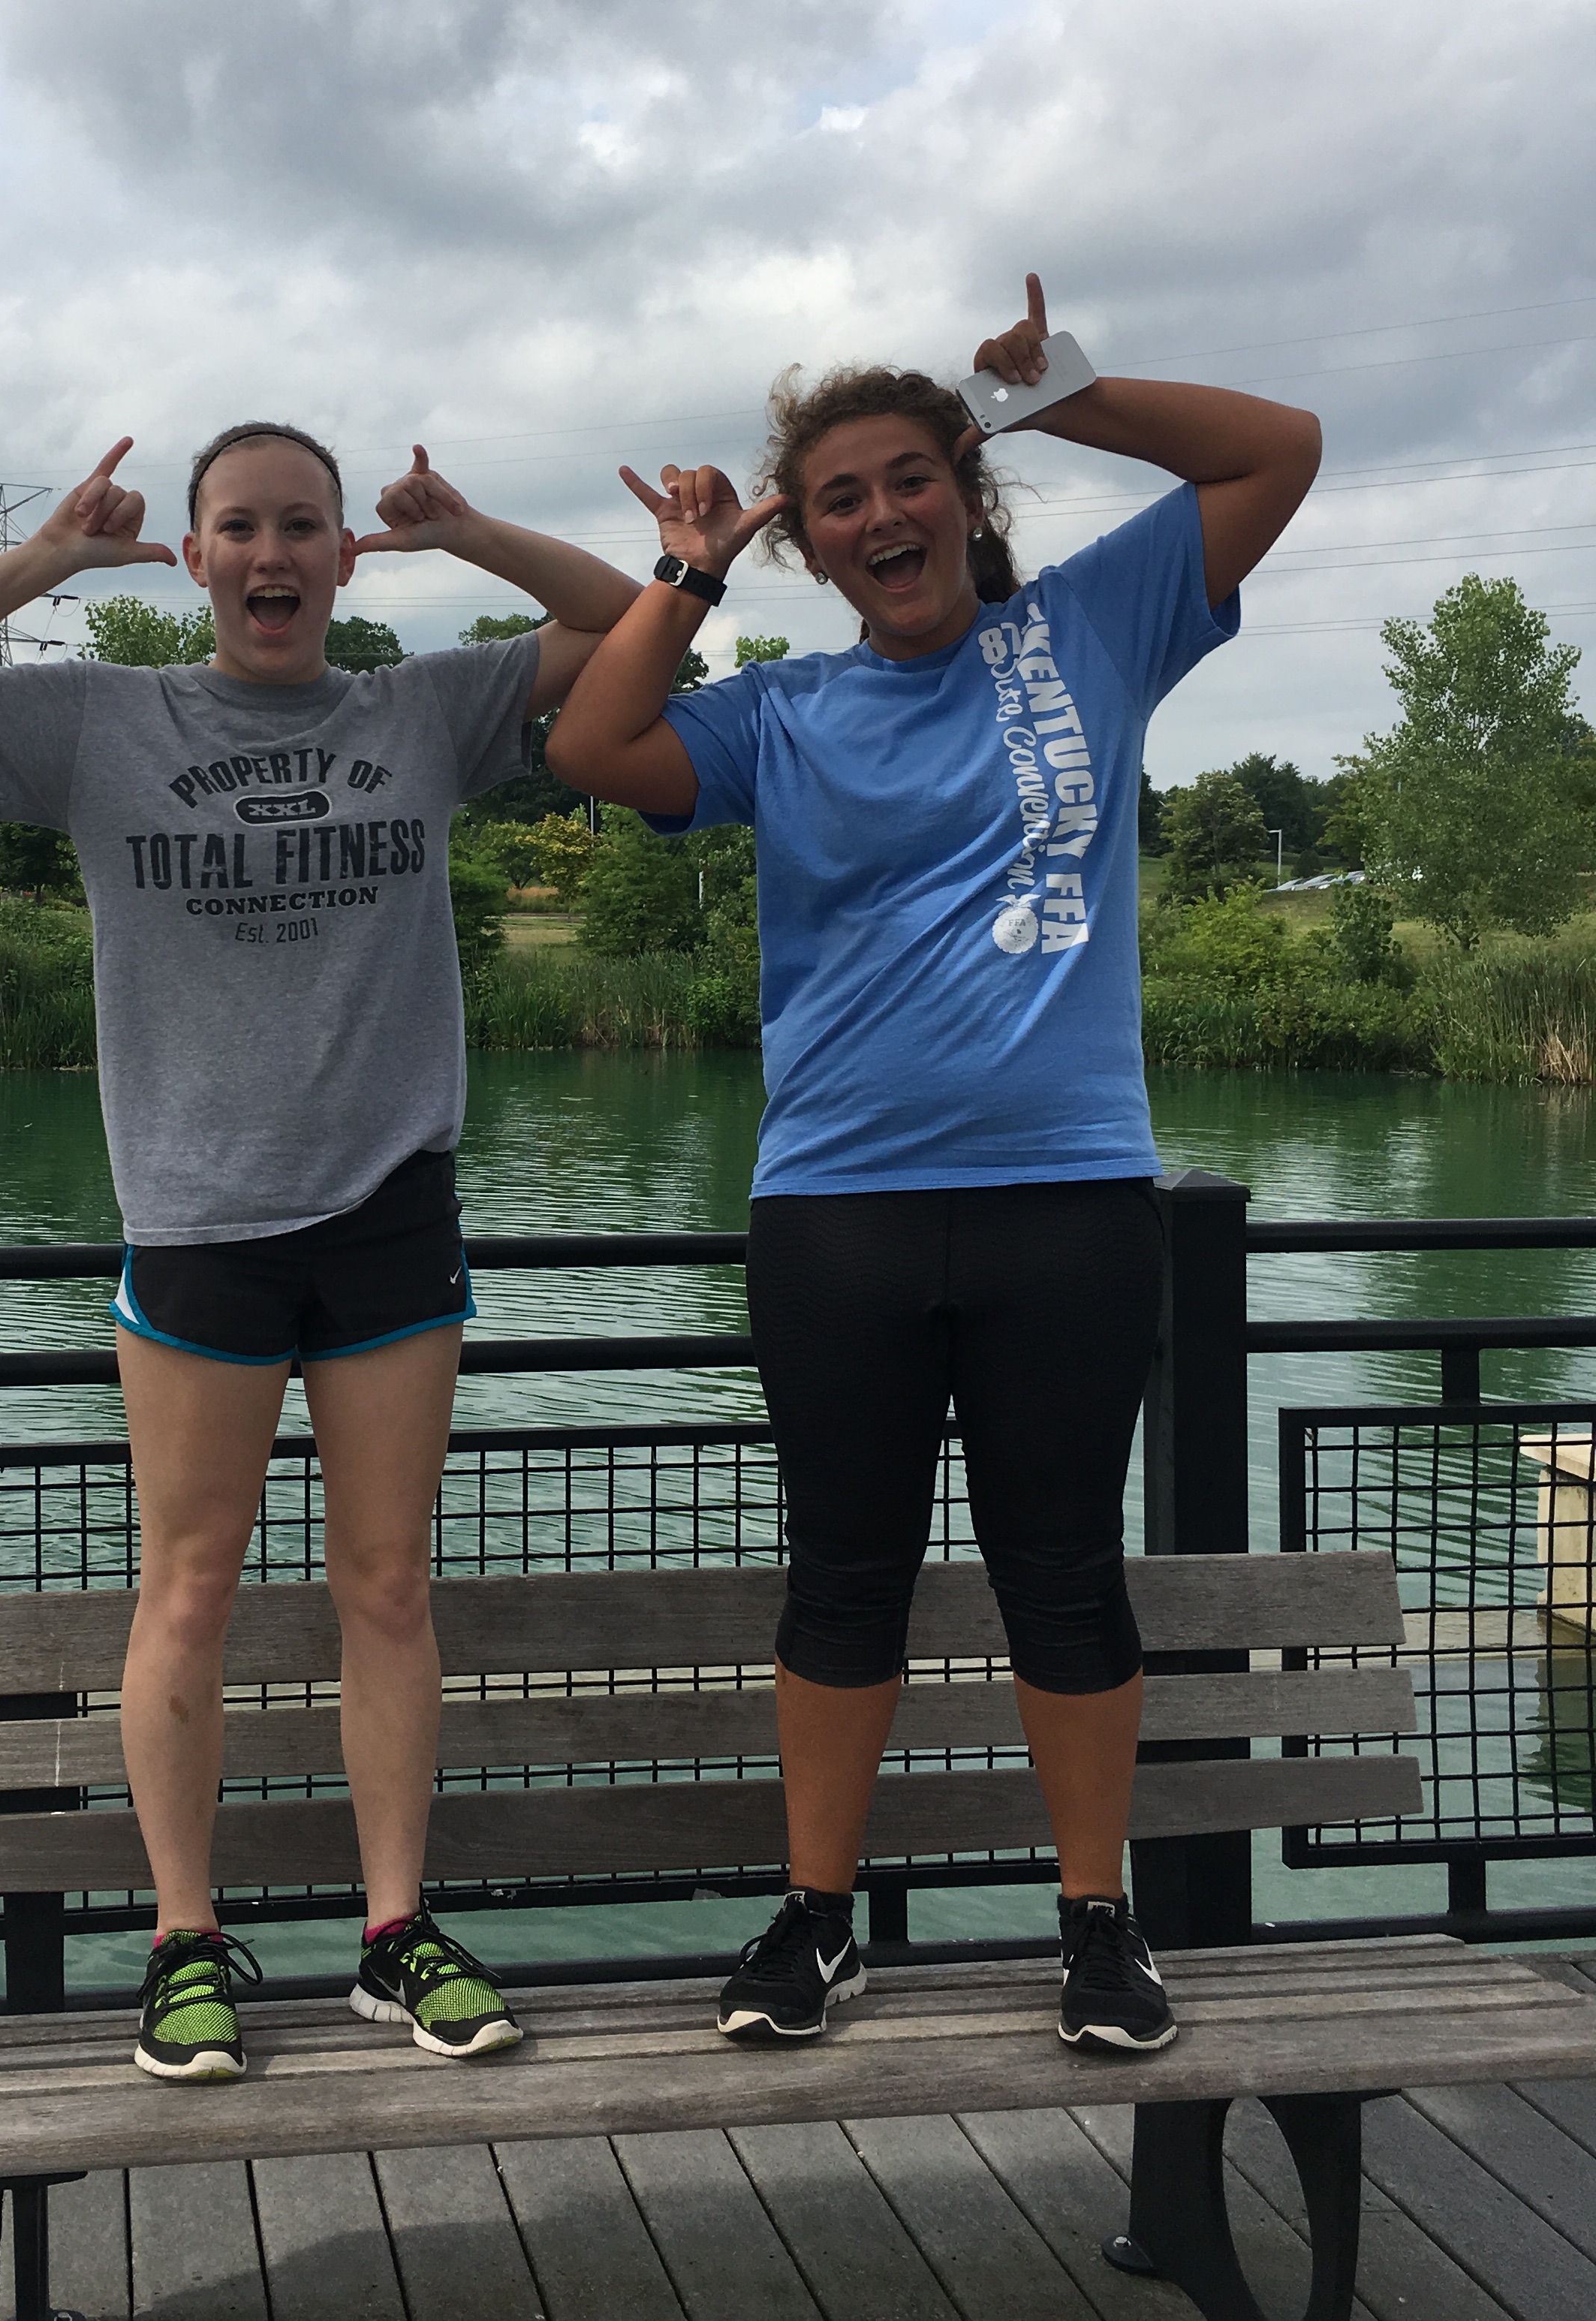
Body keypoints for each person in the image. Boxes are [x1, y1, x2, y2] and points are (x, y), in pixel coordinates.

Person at [545, 276, 1320, 2054]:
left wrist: (1065, 399)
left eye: (912, 479)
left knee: (1064, 1569)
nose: (882, 515)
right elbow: (595, 744)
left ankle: (1097, 1923)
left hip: (1067, 1196)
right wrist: (687, 573)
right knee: (845, 1570)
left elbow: (1280, 452)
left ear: (966, 493)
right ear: (810, 549)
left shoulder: (1099, 629)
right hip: (837, 1209)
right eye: (840, 500)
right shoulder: (783, 710)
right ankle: (818, 1920)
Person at [0, 422, 638, 2080]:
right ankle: (185, 1941)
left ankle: (394, 1935)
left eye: (304, 530)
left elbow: (635, 624)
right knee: (188, 1587)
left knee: (386, 1585)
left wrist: (468, 530)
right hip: (195, 1216)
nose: (272, 557)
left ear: (346, 558)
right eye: (240, 530)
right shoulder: (99, 722)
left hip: (389, 1206)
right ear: (195, 559)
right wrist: (52, 559)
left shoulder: (419, 710)